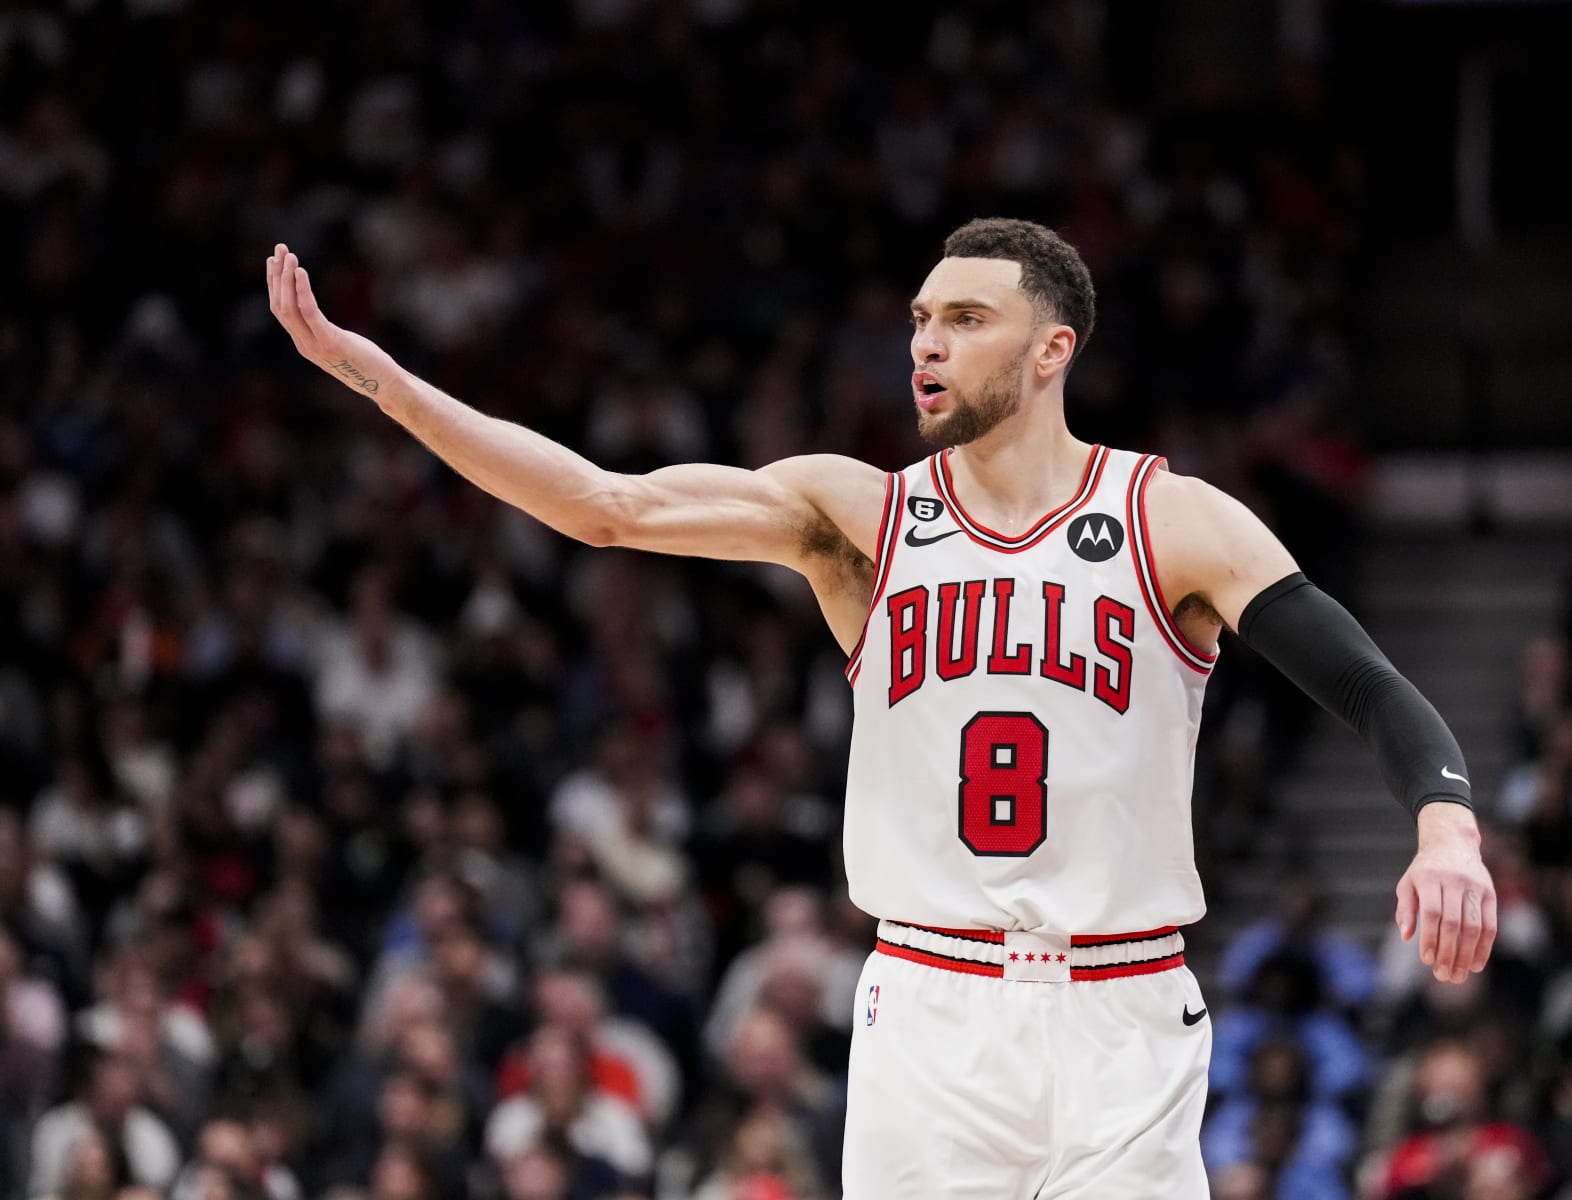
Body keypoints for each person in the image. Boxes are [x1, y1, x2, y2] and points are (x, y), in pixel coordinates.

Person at [267, 217, 1497, 1197]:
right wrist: (386, 385)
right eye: (919, 320)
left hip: (1123, 1007)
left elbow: (1367, 685)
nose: (927, 344)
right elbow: (606, 506)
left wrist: (1445, 828)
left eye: (965, 319)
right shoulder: (858, 514)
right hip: (929, 1002)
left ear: (1052, 349)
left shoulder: (1170, 518)